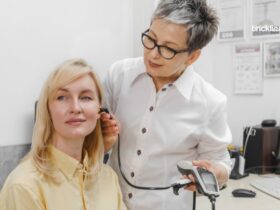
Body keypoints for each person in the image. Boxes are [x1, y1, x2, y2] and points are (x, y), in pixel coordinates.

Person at [101, 0, 232, 210]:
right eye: (151, 39)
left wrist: (216, 172)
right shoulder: (118, 76)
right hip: (112, 203)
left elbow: (221, 162)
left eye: (168, 49)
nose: (153, 53)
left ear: (192, 56)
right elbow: (93, 142)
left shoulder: (211, 102)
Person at [0, 59, 127, 210]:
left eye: (86, 97)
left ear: (99, 110)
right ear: (48, 110)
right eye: (62, 97)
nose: (75, 108)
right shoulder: (23, 185)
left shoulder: (109, 178)